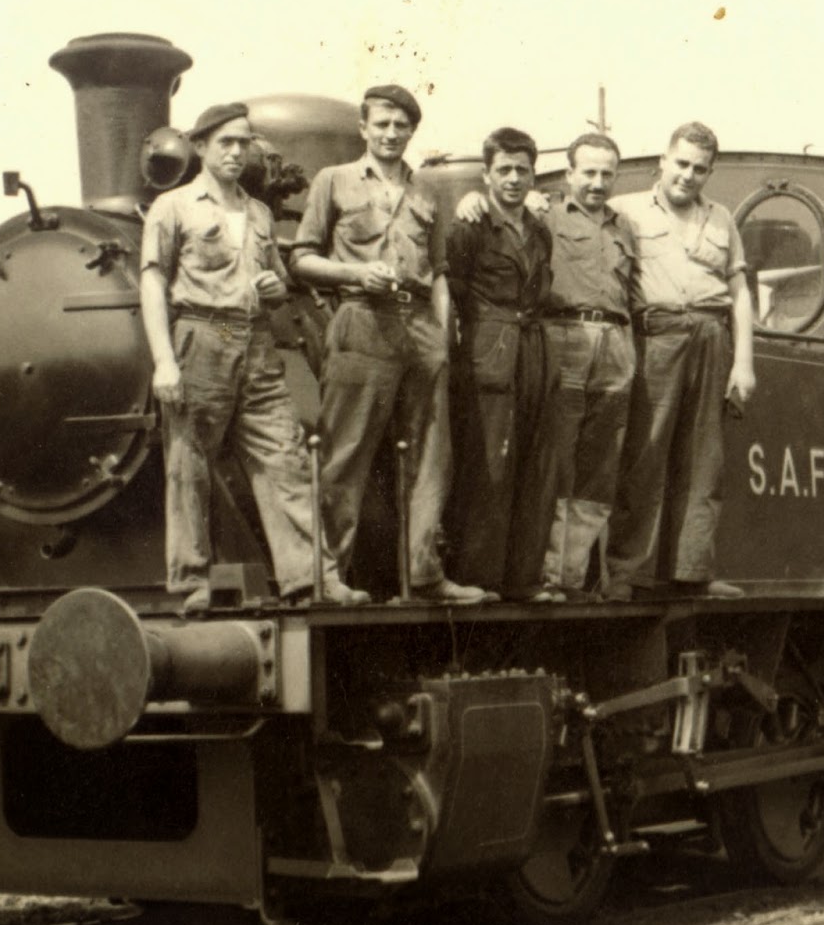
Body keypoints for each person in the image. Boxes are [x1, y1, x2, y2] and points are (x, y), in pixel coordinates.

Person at [141, 101, 369, 614]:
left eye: (243, 142)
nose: (235, 152)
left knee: (285, 458)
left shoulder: (261, 213)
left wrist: (273, 286)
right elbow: (153, 280)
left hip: (257, 343)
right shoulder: (173, 207)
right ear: (200, 146)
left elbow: (278, 284)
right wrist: (164, 360)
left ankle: (313, 578)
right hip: (200, 335)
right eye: (225, 142)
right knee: (190, 462)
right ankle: (191, 581)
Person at [291, 86, 493, 604]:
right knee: (346, 451)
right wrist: (356, 272)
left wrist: (442, 339)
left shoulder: (426, 191)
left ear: (411, 131)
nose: (390, 133)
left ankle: (425, 574)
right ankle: (328, 575)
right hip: (361, 319)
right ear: (363, 127)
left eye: (400, 125)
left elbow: (441, 271)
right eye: (381, 123)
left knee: (432, 454)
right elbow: (302, 259)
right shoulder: (332, 181)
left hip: (421, 324)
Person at [606, 121, 756, 598]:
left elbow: (740, 291)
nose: (689, 176)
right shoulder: (623, 210)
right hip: (657, 335)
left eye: (700, 169)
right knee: (645, 454)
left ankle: (692, 573)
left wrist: (744, 363)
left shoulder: (721, 219)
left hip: (712, 336)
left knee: (702, 461)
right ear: (663, 162)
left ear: (709, 173)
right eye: (682, 164)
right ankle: (627, 571)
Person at [444, 127, 553, 599]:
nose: (513, 179)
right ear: (486, 174)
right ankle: (479, 575)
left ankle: (522, 577)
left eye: (522, 170)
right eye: (504, 170)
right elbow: (454, 291)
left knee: (535, 463)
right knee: (490, 464)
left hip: (533, 348)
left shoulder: (539, 229)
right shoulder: (469, 225)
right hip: (489, 346)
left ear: (533, 175)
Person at [531, 133, 636, 599]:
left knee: (599, 465)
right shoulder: (545, 217)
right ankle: (548, 576)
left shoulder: (623, 228)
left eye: (606, 174)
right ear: (569, 173)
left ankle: (572, 576)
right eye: (588, 173)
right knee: (559, 457)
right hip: (565, 335)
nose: (597, 182)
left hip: (616, 343)